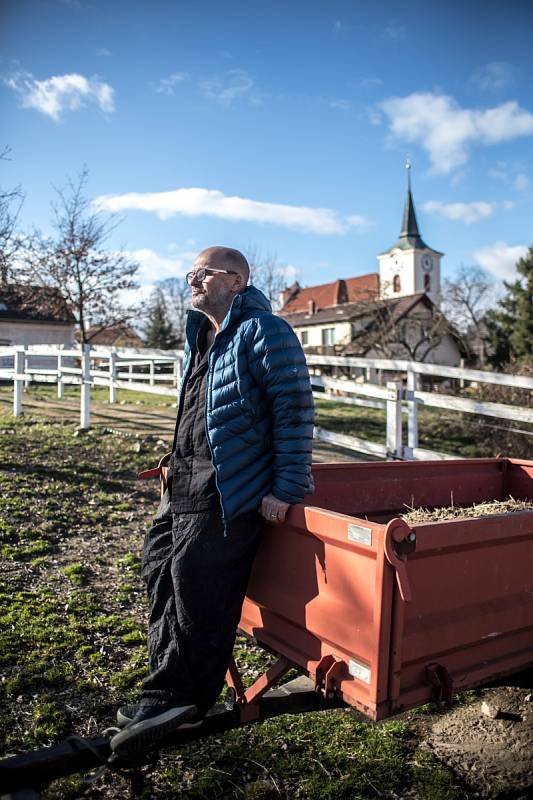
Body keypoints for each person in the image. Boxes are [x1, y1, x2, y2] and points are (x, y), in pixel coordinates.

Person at [110, 246, 314, 757]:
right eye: (190, 273)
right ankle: (164, 687)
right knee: (158, 568)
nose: (192, 280)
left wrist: (285, 489)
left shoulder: (266, 331)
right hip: (184, 478)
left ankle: (185, 696)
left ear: (237, 282)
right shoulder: (200, 335)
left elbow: (293, 411)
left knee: (196, 585)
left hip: (228, 488)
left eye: (204, 273)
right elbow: (198, 410)